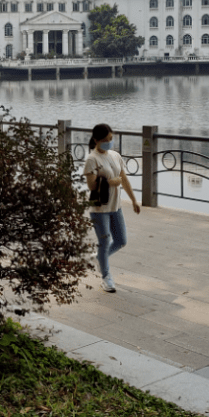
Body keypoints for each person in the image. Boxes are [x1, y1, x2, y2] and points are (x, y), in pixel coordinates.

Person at [83, 123, 140, 292]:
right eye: (106, 140)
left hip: (115, 206)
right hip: (99, 208)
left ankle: (100, 258)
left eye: (111, 139)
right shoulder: (91, 159)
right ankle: (106, 277)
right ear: (96, 140)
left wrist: (134, 200)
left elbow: (124, 179)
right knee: (105, 241)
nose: (109, 142)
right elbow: (92, 185)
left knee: (121, 240)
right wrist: (109, 182)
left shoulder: (115, 155)